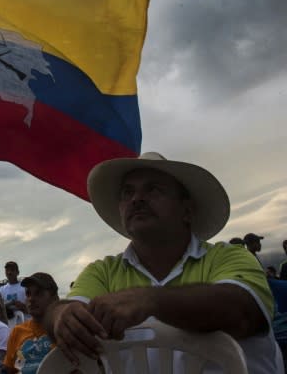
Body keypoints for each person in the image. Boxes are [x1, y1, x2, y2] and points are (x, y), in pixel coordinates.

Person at [45, 152, 283, 373]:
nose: (137, 199)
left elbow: (243, 312)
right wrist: (61, 315)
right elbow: (62, 311)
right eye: (127, 193)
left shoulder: (228, 257)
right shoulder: (102, 272)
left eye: (153, 190)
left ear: (187, 211)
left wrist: (151, 300)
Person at [2, 273, 58, 374]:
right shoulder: (17, 331)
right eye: (28, 294)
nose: (31, 299)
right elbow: (8, 370)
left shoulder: (62, 328)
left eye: (39, 293)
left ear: (54, 298)